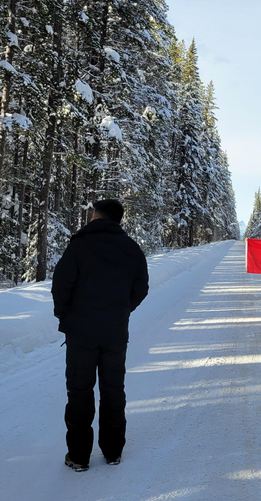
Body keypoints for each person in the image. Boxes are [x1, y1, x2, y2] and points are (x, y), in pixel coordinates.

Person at [52, 199, 149, 472]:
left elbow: (61, 286)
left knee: (80, 391)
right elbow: (141, 288)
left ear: (96, 216)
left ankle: (79, 456)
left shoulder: (79, 246)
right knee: (113, 390)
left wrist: (66, 316)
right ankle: (113, 452)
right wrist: (121, 310)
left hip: (81, 333)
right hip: (115, 332)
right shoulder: (131, 249)